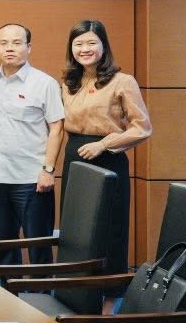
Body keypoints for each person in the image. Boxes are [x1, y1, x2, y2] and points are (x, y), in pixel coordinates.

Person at [61, 19, 151, 278]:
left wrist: (103, 144)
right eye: (78, 44)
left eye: (91, 42)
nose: (84, 49)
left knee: (110, 231)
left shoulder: (123, 81)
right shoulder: (68, 82)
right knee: (76, 230)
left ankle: (109, 305)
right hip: (74, 157)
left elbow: (142, 127)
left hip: (108, 159)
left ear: (104, 46)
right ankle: (76, 298)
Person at [0, 23, 65, 265]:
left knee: (38, 247)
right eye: (4, 43)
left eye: (17, 43)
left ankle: (41, 301)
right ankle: (9, 299)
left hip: (33, 181)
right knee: (4, 247)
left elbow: (56, 128)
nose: (10, 48)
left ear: (29, 47)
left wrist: (48, 170)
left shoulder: (44, 83)